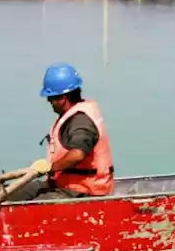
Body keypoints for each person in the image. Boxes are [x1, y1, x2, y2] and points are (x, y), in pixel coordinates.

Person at [8, 62, 114, 202]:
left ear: (62, 98)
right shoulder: (71, 116)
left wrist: (51, 167)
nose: (48, 101)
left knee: (38, 205)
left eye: (51, 98)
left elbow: (77, 154)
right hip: (64, 184)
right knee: (13, 193)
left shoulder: (80, 122)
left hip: (83, 191)